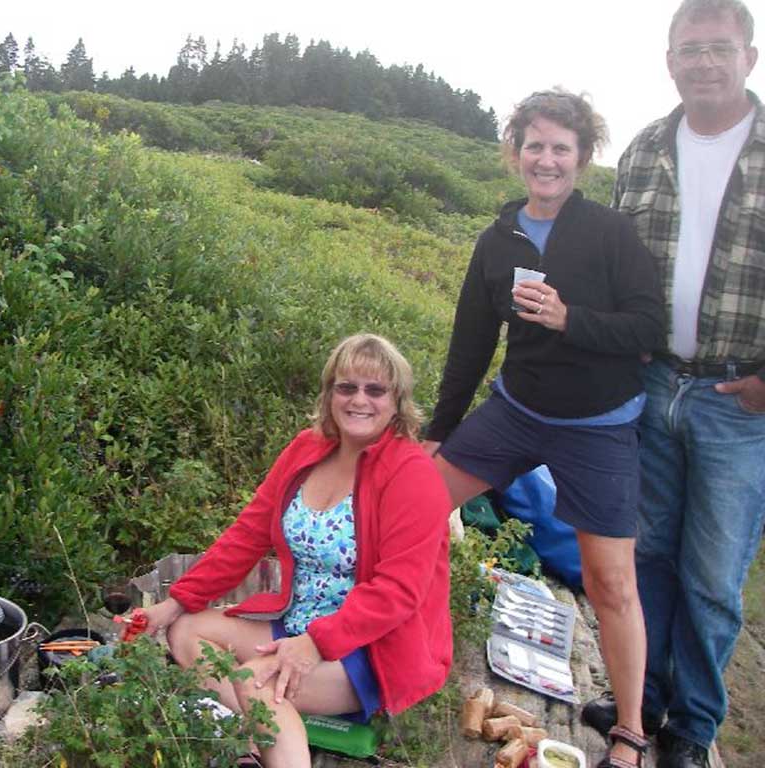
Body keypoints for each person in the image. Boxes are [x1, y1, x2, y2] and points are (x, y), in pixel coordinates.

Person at [422, 90, 665, 768]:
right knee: (413, 504)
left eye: (562, 147)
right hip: (517, 411)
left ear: (583, 157)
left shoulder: (611, 234)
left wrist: (569, 319)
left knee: (610, 580)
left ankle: (630, 731)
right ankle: (403, 639)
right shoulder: (498, 240)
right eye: (535, 146)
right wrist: (440, 431)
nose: (548, 159)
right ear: (515, 152)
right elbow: (470, 342)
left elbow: (648, 328)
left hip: (598, 427)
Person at [581, 3, 763, 767]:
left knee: (714, 577)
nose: (705, 63)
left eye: (720, 49)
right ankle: (643, 699)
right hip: (654, 384)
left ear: (749, 57)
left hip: (739, 402)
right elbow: (620, 267)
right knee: (646, 551)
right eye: (691, 50)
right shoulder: (647, 147)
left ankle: (693, 726)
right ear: (669, 61)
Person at [139, 333, 453, 768]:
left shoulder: (413, 476)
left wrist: (315, 645)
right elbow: (248, 533)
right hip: (296, 625)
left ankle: (274, 736)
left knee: (258, 685)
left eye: (375, 389)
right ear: (329, 395)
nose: (359, 399)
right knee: (187, 631)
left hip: (369, 650)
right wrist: (176, 603)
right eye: (346, 387)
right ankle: (254, 740)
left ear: (397, 402)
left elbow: (399, 591)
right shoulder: (307, 449)